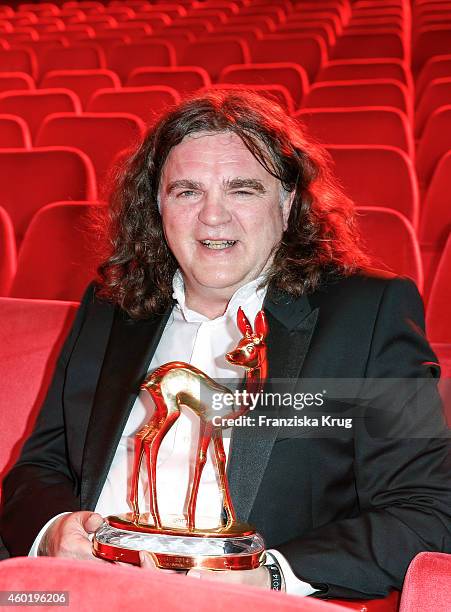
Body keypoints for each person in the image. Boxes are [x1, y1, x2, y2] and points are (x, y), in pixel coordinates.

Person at [1, 90, 450, 600]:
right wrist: (53, 530)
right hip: (81, 593)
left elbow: (427, 507)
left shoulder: (366, 315)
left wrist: (271, 575)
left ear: (286, 205)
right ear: (157, 207)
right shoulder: (111, 309)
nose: (213, 217)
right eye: (187, 192)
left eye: (242, 190)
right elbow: (40, 466)